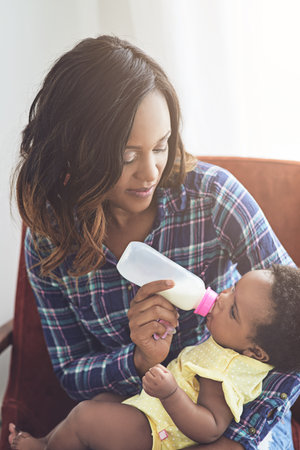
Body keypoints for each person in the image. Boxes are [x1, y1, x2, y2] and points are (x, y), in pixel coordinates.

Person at [12, 35, 299, 449]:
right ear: (75, 152)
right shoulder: (51, 239)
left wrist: (236, 440)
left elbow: (297, 330)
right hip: (146, 418)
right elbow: (71, 370)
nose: (150, 172)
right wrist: (139, 361)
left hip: (240, 417)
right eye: (128, 157)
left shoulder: (213, 198)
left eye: (160, 147)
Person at [8, 265, 300, 449]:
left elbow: (211, 427)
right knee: (102, 402)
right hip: (152, 416)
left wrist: (171, 392)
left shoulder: (225, 370)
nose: (221, 299)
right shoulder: (231, 347)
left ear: (255, 352)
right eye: (232, 288)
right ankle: (47, 442)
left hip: (160, 436)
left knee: (86, 417)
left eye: (233, 311)